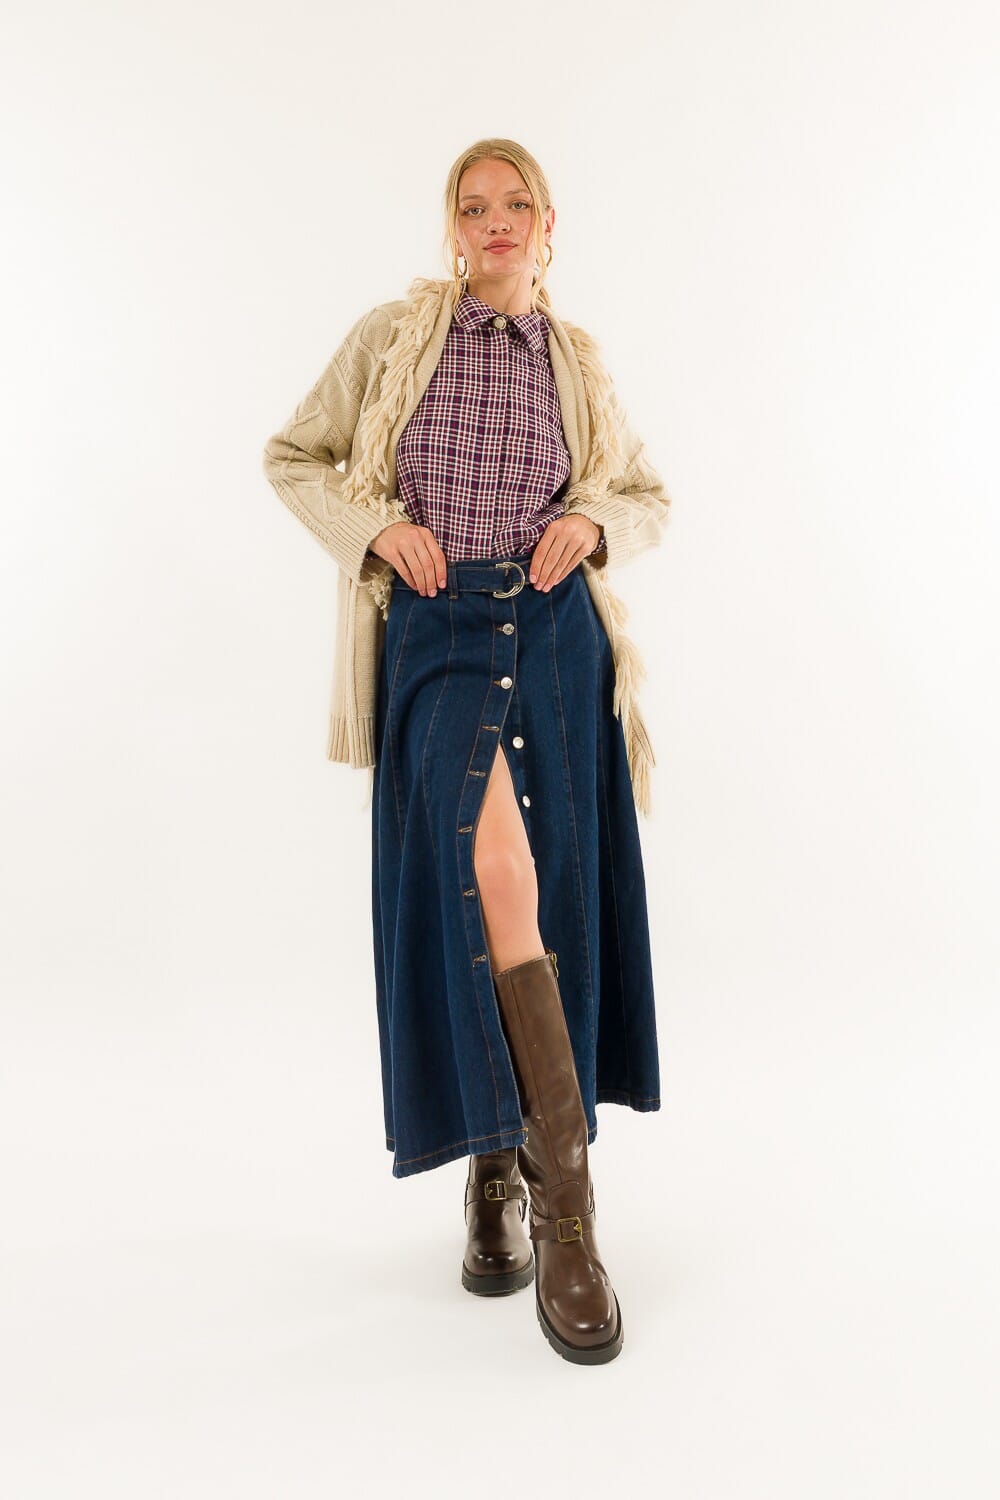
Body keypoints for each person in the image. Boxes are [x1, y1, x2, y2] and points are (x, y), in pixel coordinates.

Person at [262, 138, 672, 1364]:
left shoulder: (576, 361)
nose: (496, 222)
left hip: (551, 632)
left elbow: (645, 494)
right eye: (474, 206)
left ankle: (512, 1179)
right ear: (452, 229)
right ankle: (564, 1210)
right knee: (488, 870)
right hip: (438, 627)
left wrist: (591, 519)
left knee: (551, 896)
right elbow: (295, 455)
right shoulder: (396, 336)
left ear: (548, 226)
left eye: (516, 205)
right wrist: (375, 529)